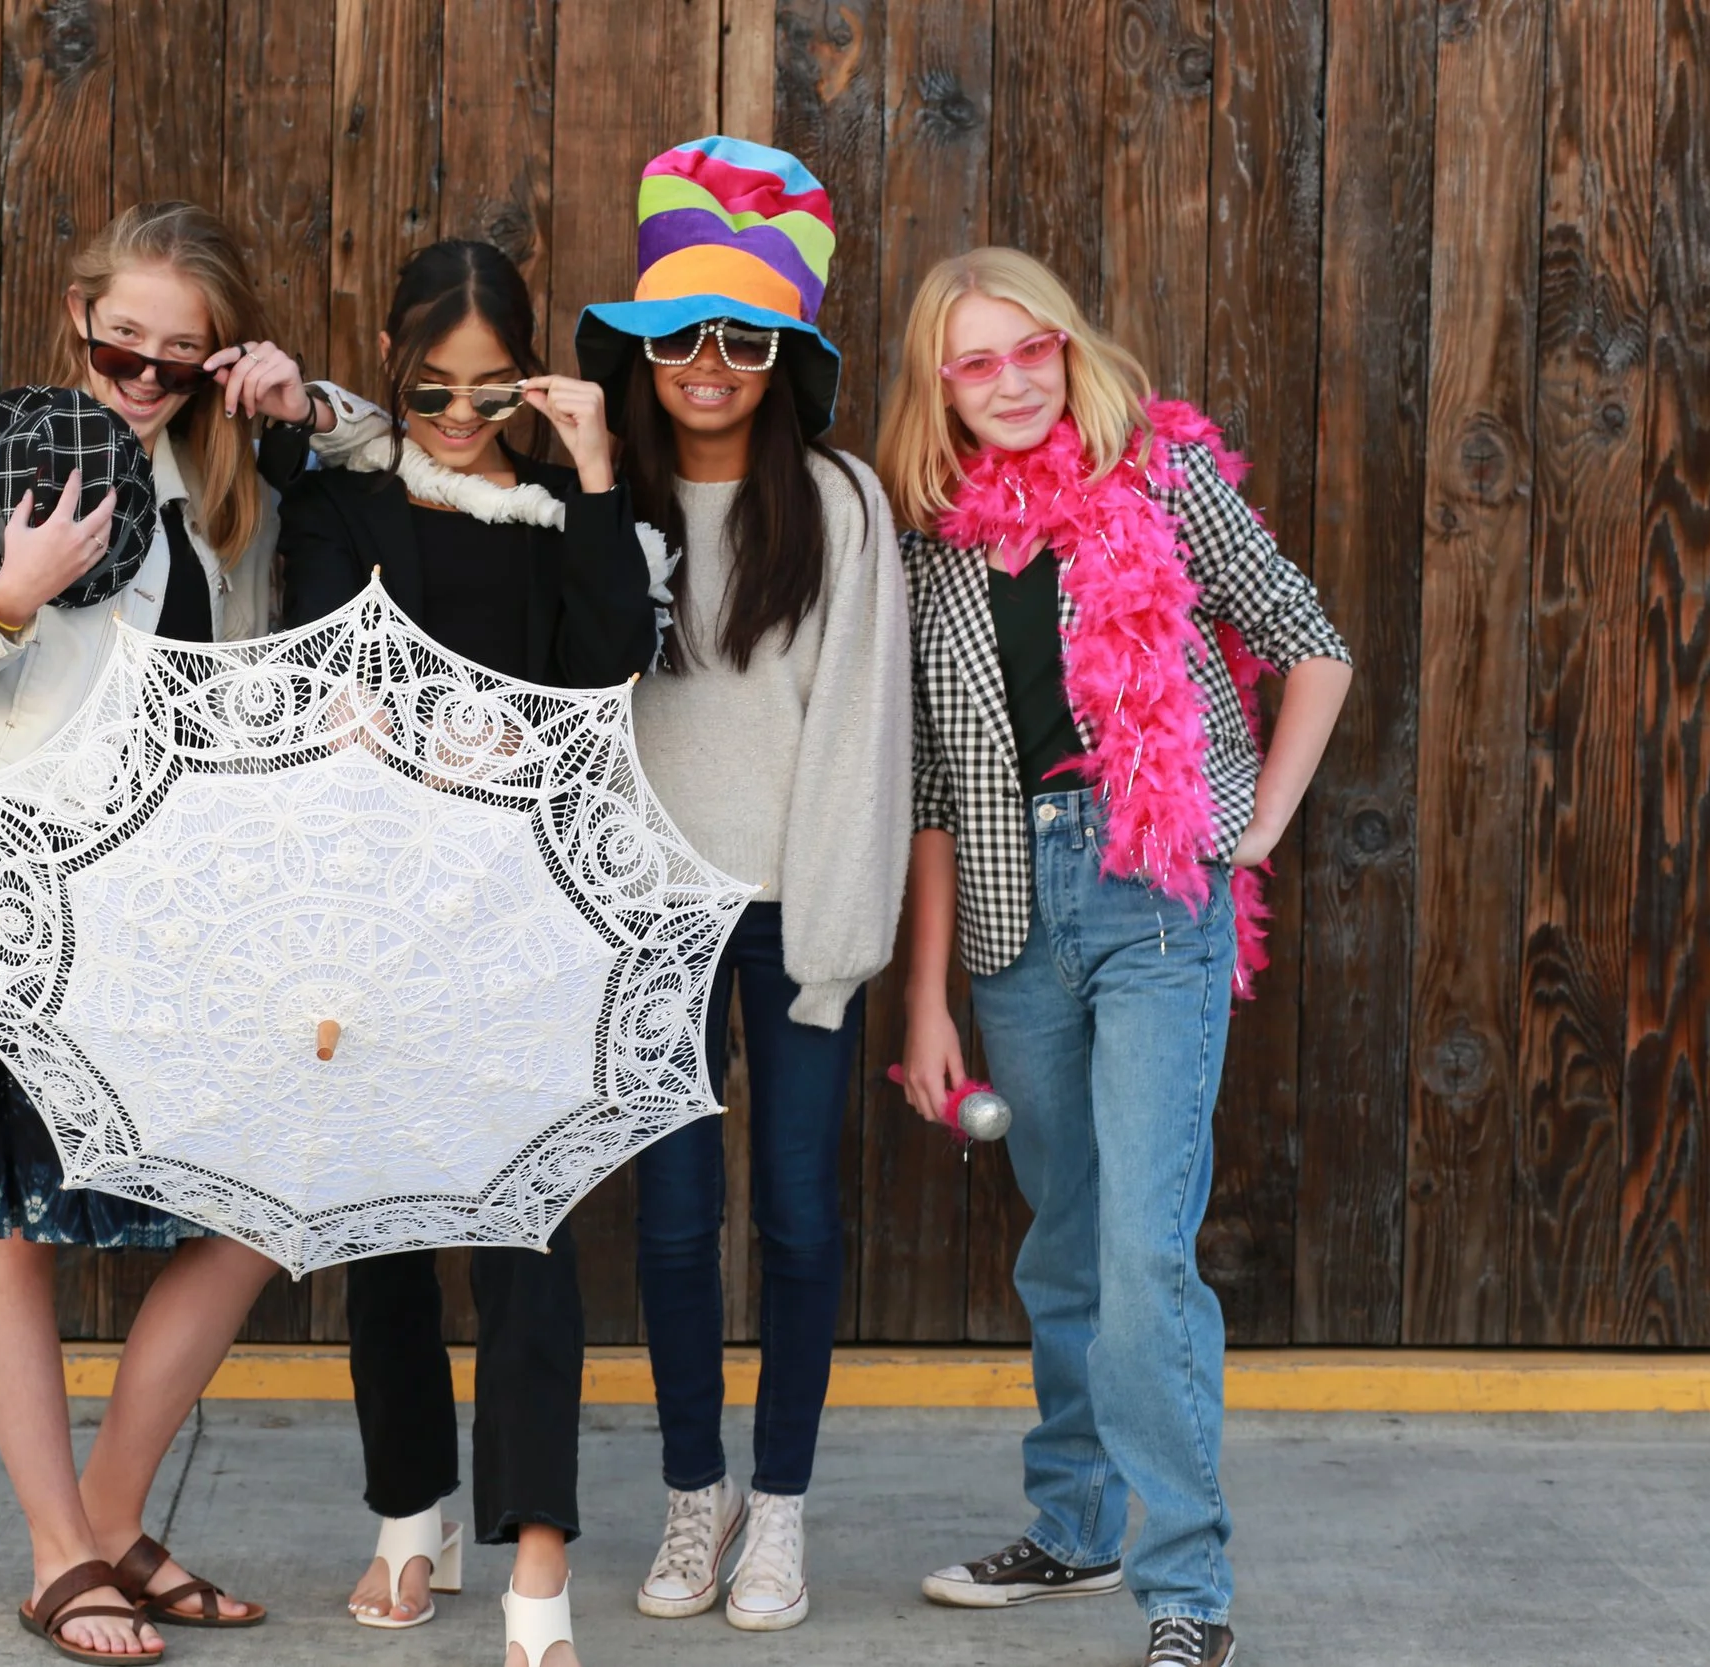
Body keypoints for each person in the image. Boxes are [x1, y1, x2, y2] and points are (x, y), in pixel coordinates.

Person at [0, 199, 376, 1664]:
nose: (144, 379)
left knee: (260, 1195)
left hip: (192, 890)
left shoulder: (236, 476)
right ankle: (62, 1552)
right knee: (13, 1220)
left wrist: (306, 402)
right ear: (78, 325)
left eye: (179, 357)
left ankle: (106, 1514)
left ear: (219, 360)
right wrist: (13, 596)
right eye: (121, 348)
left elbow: (390, 456)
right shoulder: (5, 457)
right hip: (32, 876)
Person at [878, 245, 1352, 1667]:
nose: (1013, 380)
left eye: (1033, 348)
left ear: (1071, 348)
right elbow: (933, 786)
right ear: (940, 385)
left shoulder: (1163, 477)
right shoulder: (929, 538)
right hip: (1012, 911)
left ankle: (1186, 1590)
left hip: (1155, 893)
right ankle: (1074, 1526)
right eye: (978, 361)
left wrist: (1259, 822)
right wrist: (924, 998)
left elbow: (1310, 640)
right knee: (1067, 1239)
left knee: (1145, 1249)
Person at [265, 238, 656, 1667]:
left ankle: (538, 1555)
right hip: (371, 903)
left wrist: (596, 470)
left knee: (523, 1236)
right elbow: (322, 664)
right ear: (391, 365)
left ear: (531, 385)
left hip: (522, 910)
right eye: (431, 390)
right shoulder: (345, 499)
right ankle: (408, 1511)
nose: (458, 418)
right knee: (383, 1240)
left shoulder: (563, 512)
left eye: (492, 393)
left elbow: (615, 658)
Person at [571, 137, 910, 1634]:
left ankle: (780, 1508)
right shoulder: (603, 500)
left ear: (786, 363)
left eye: (745, 340)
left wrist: (836, 937)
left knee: (799, 1219)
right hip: (650, 916)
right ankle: (691, 1492)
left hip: (791, 910)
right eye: (681, 337)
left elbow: (861, 734)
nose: (709, 366)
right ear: (641, 352)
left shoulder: (837, 506)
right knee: (669, 1222)